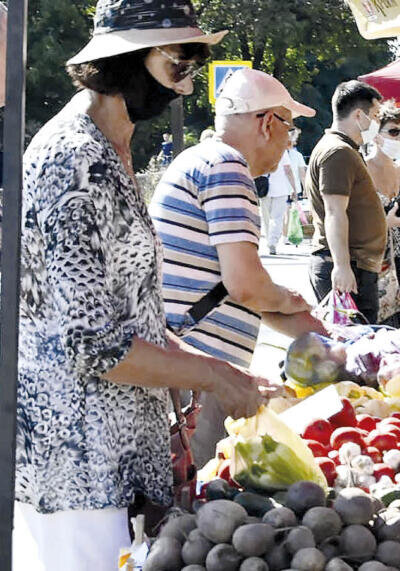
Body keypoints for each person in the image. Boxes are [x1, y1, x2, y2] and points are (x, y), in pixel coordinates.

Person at [14, 2, 273, 568]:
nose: (185, 89)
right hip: (77, 468)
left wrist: (225, 374)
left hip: (121, 455)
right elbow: (93, 345)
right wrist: (215, 375)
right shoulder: (73, 161)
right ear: (128, 59)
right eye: (179, 66)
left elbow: (135, 319)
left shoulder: (112, 149)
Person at [150, 67, 324, 460]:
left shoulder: (206, 159)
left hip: (189, 365)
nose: (288, 142)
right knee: (190, 498)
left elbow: (235, 289)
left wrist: (304, 324)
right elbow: (244, 284)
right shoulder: (227, 166)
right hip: (198, 373)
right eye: (290, 129)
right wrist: (289, 299)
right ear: (267, 123)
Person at [307, 80, 395, 324]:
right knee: (353, 349)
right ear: (359, 115)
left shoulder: (345, 149)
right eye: (375, 115)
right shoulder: (339, 152)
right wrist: (342, 265)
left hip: (356, 264)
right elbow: (335, 211)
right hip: (350, 266)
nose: (377, 122)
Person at [366, 102, 400, 327]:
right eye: (393, 131)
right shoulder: (363, 169)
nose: (399, 138)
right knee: (377, 318)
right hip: (375, 252)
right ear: (376, 134)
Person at [262, 125, 307, 254]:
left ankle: (268, 240)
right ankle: (272, 242)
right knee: (277, 217)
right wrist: (294, 187)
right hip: (281, 188)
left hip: (263, 188)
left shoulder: (261, 150)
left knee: (266, 217)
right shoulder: (281, 151)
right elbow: (288, 170)